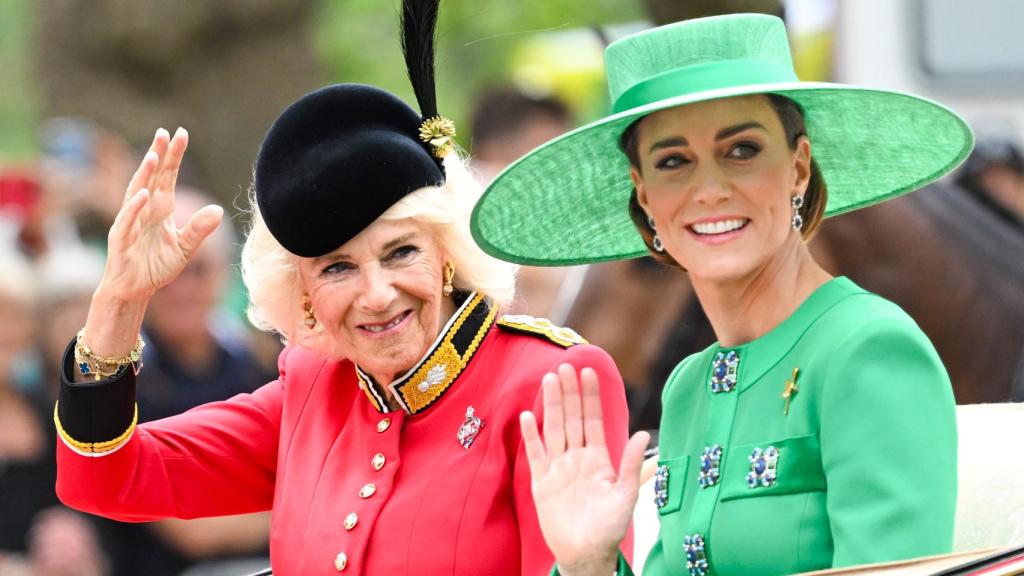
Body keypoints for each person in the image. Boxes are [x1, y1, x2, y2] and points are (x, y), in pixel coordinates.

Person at [51, 1, 631, 575]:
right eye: (336, 268)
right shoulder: (313, 385)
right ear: (302, 292)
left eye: (401, 252)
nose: (376, 295)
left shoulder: (550, 382)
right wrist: (121, 301)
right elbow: (106, 477)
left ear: (448, 253)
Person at [470, 13, 971, 576]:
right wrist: (589, 561)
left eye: (742, 151)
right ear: (645, 198)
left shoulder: (869, 348)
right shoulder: (689, 387)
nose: (709, 190)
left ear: (799, 168)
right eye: (673, 162)